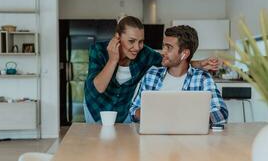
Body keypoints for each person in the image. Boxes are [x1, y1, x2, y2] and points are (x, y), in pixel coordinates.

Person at [84, 16, 219, 123]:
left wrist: (199, 64)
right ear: (117, 37)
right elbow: (98, 88)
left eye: (141, 41)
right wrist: (113, 60)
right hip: (97, 106)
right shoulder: (99, 50)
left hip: (123, 110)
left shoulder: (145, 54)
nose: (137, 47)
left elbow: (170, 61)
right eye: (131, 41)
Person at [130, 25, 228, 124]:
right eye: (163, 46)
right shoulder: (152, 76)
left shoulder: (202, 79)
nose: (163, 52)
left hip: (189, 138)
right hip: (154, 136)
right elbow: (133, 110)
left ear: (184, 54)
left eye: (169, 48)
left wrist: (185, 119)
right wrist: (154, 115)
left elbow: (221, 112)